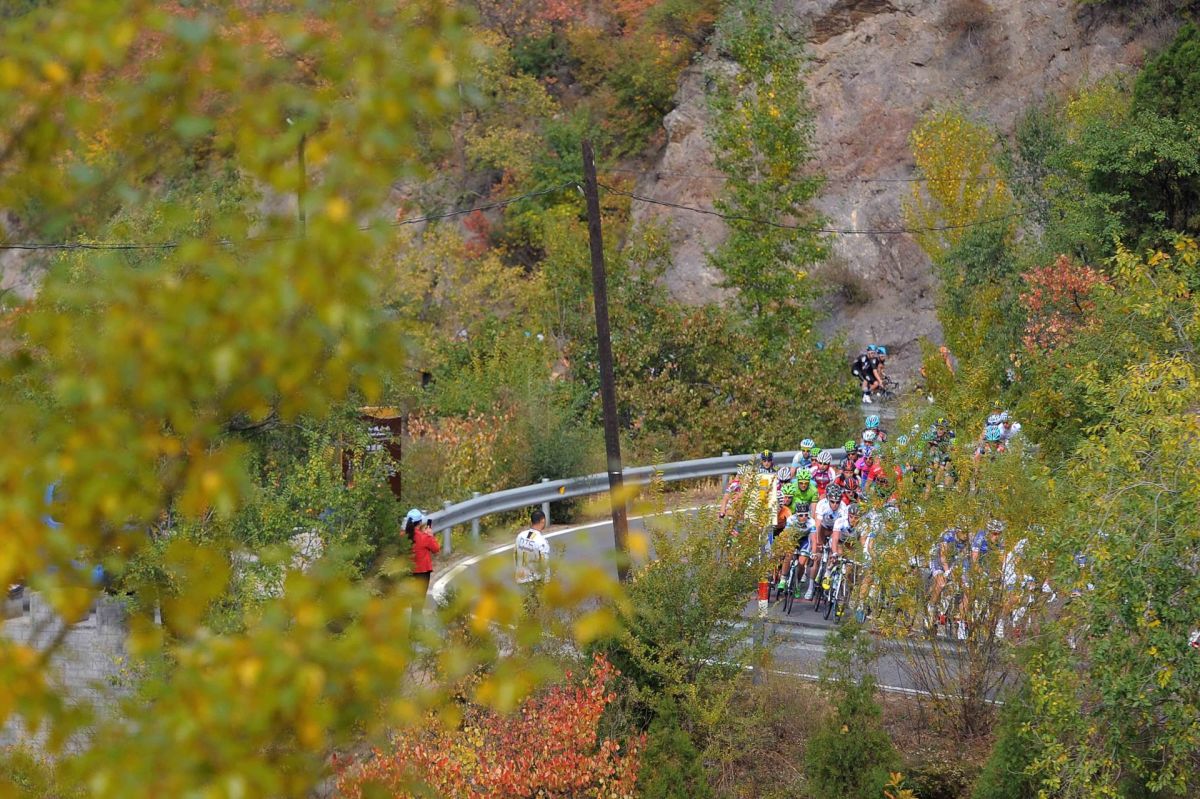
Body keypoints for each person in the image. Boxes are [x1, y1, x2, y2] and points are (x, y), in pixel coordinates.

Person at [406, 508, 441, 603]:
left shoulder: (402, 536)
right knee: (418, 602)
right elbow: (436, 549)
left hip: (406, 571)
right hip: (422, 572)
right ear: (420, 522)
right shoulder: (424, 537)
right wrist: (430, 535)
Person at [515, 508, 551, 585]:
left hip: (521, 578)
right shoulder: (542, 541)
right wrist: (547, 583)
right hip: (534, 580)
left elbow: (516, 556)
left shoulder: (520, 536)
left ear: (531, 521)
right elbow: (545, 564)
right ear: (543, 521)